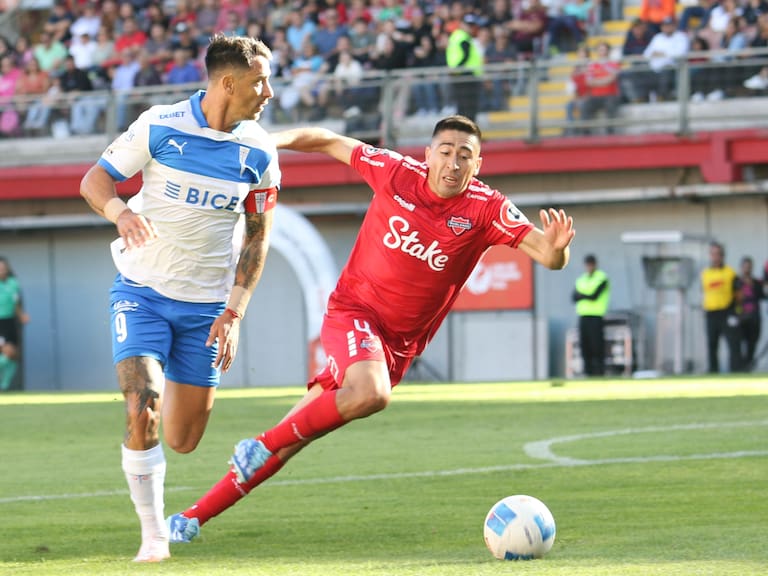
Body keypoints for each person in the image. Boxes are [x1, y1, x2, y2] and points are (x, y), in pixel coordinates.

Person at [165, 114, 575, 543]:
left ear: (478, 165)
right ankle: (262, 443)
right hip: (354, 313)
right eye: (447, 152)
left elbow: (547, 256)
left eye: (465, 156)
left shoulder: (487, 208)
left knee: (294, 436)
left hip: (394, 348)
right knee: (369, 394)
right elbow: (325, 139)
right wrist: (271, 142)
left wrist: (558, 248)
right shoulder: (396, 171)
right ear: (429, 154)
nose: (454, 163)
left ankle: (192, 518)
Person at [78, 34, 280, 563]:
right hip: (141, 291)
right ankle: (153, 536)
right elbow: (95, 179)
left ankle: (156, 471)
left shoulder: (259, 151)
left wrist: (234, 313)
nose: (269, 92)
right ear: (228, 82)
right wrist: (120, 212)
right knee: (141, 403)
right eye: (261, 80)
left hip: (207, 308)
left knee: (184, 438)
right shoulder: (159, 124)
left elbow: (258, 237)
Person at [700, 242, 739, 373]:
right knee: (712, 344)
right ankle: (713, 371)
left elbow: (738, 294)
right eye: (712, 254)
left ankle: (735, 371)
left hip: (726, 312)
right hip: (711, 312)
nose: (715, 257)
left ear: (722, 255)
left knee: (732, 343)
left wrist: (735, 312)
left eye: (717, 254)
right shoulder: (705, 273)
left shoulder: (730, 273)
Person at [572, 254, 610, 376]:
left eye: (591, 264)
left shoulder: (602, 278)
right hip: (583, 316)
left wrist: (582, 296)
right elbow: (573, 297)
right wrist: (585, 296)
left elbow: (594, 296)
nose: (589, 267)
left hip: (596, 316)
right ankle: (587, 372)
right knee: (585, 345)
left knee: (597, 345)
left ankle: (599, 371)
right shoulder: (581, 279)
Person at [0, 256, 30, 391]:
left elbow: (16, 302)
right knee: (8, 351)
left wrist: (22, 315)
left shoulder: (13, 283)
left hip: (10, 323)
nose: (2, 270)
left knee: (14, 357)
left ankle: (4, 385)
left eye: (3, 267)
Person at [734, 256, 763, 371]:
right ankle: (739, 367)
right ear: (741, 268)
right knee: (738, 343)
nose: (747, 269)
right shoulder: (736, 282)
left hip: (754, 317)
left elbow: (762, 296)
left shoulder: (756, 283)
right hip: (741, 317)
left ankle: (749, 367)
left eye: (749, 267)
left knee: (752, 343)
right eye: (745, 267)